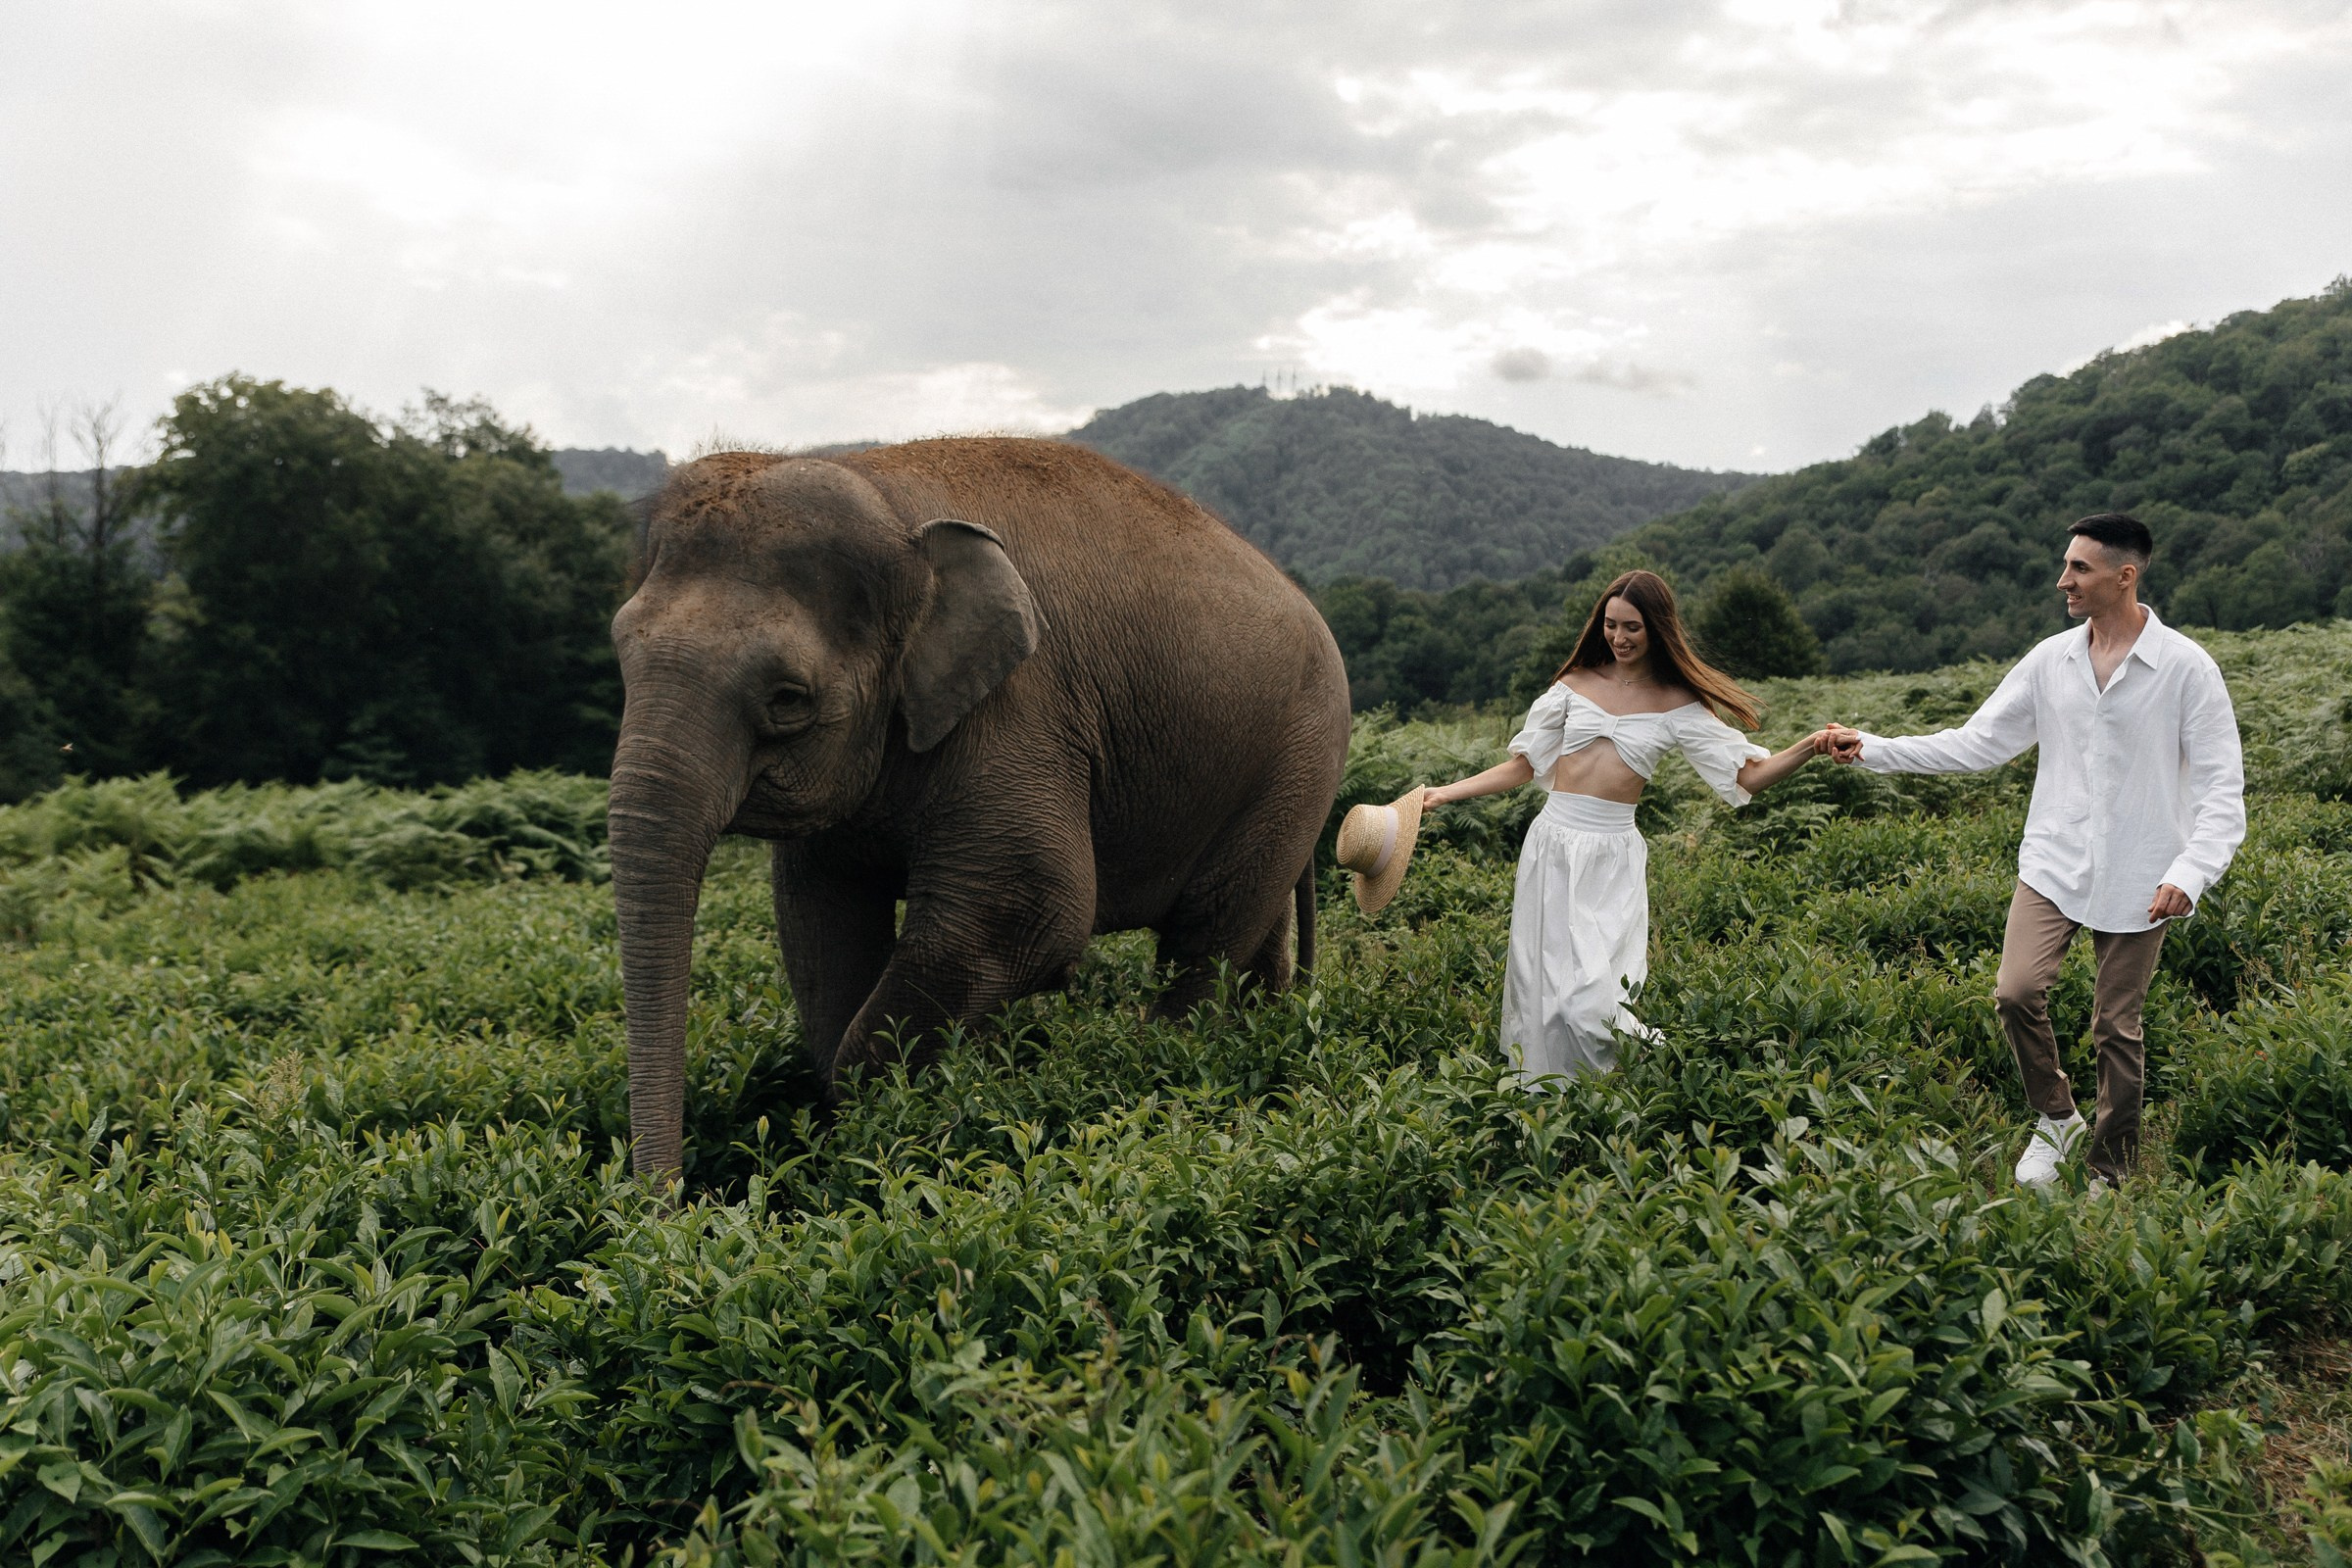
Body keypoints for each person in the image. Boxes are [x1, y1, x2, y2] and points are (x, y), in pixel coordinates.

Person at [1826, 513, 2244, 1190]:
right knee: (2016, 992)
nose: (2064, 581)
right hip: (2054, 860)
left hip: (2146, 871)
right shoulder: (2052, 660)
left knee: (2116, 1028)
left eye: (2079, 568)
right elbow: (1978, 742)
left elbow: (2225, 789)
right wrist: (1873, 747)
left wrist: (2190, 871)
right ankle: (2057, 1118)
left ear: (2124, 575)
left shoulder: (2186, 668)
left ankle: (2111, 1170)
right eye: (2066, 566)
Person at [1422, 569, 1838, 1087]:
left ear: (1657, 629)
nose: (1618, 637)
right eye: (1611, 625)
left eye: (1632, 628)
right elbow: (1523, 766)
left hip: (1611, 856)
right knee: (1540, 990)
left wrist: (1810, 747)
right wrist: (1443, 793)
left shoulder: (1677, 703)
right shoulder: (1573, 686)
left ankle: (1668, 1076)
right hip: (1552, 845)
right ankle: (1546, 1103)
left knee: (1589, 1001)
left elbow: (1747, 775)